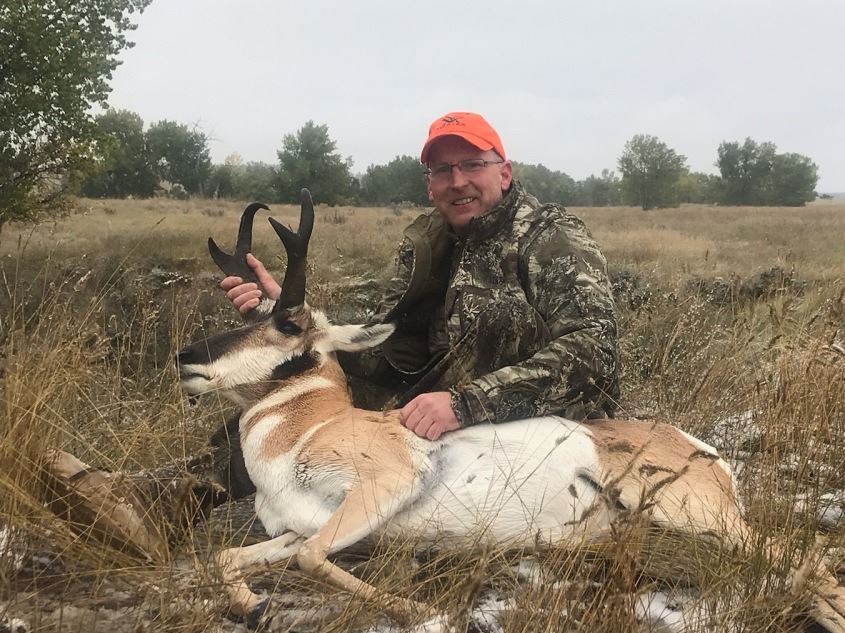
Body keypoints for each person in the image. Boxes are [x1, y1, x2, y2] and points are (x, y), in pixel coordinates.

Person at [221, 112, 619, 449]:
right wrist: (292, 317)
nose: (457, 181)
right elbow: (385, 351)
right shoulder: (426, 243)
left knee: (503, 316)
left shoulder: (550, 236)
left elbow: (596, 350)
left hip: (545, 438)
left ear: (504, 173)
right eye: (443, 170)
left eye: (472, 164)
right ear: (430, 186)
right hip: (431, 421)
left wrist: (466, 405)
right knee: (257, 430)